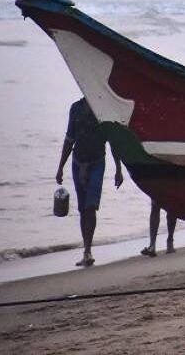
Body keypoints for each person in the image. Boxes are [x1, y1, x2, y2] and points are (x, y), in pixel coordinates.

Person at [56, 96, 124, 267]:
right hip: (78, 163)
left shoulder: (102, 109)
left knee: (90, 207)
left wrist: (118, 169)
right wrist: (60, 167)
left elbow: (113, 142)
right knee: (82, 209)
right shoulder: (76, 108)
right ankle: (86, 250)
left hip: (97, 163)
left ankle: (88, 250)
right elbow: (69, 139)